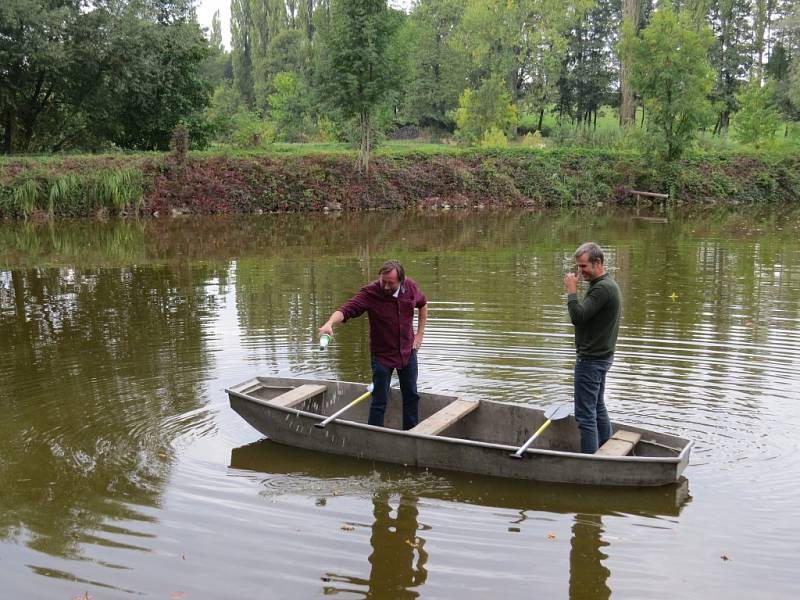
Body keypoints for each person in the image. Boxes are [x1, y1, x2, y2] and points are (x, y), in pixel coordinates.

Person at [319, 259, 428, 429]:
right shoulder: (371, 293)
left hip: (407, 353)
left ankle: (411, 434)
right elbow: (347, 309)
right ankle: (374, 435)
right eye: (382, 281)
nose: (384, 286)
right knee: (379, 400)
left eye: (390, 283)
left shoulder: (410, 287)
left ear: (401, 281)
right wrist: (330, 323)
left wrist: (420, 335)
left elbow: (423, 304)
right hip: (382, 356)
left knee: (412, 397)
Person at [563, 242, 622, 454]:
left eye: (584, 266)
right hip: (602, 357)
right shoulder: (605, 285)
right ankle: (606, 450)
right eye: (578, 267)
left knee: (585, 415)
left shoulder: (602, 289)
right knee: (597, 407)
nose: (580, 271)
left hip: (591, 360)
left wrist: (571, 292)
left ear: (598, 263)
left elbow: (578, 317)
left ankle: (591, 462)